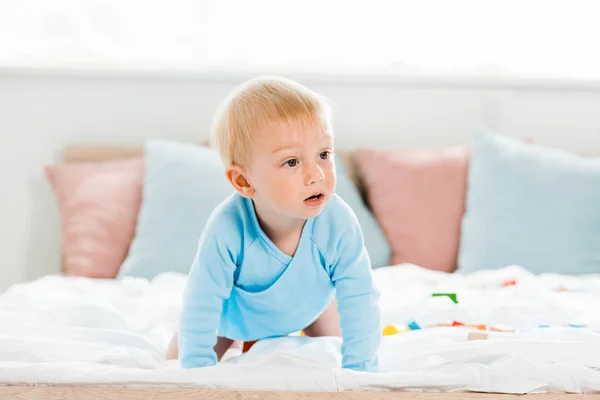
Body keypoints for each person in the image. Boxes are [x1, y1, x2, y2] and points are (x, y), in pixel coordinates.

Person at [166, 76, 381, 372]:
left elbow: (359, 296)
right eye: (292, 162)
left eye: (323, 154)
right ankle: (245, 342)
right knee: (175, 367)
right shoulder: (227, 226)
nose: (316, 174)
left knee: (338, 355)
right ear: (243, 181)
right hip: (233, 319)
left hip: (311, 309)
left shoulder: (338, 221)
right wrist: (197, 369)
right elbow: (200, 301)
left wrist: (361, 370)